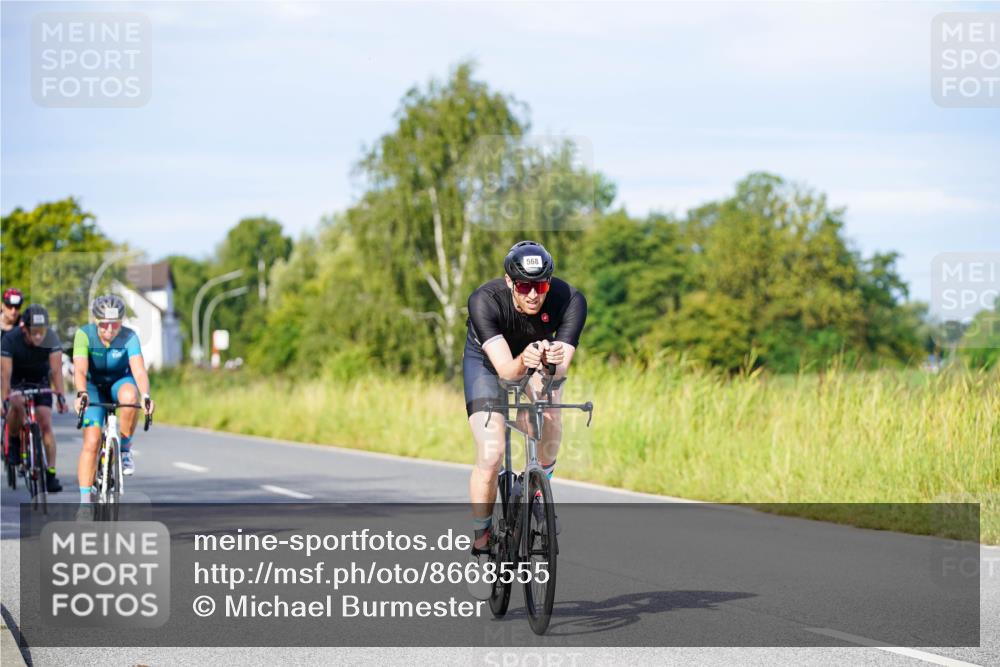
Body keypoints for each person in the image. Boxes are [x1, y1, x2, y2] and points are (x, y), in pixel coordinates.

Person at [463, 241, 587, 589]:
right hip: (488, 366)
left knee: (550, 412)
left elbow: (557, 373)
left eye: (541, 286)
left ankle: (537, 488)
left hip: (535, 362)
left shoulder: (570, 300)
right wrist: (524, 362)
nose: (534, 295)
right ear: (509, 282)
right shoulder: (484, 300)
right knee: (491, 454)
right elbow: (505, 372)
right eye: (524, 287)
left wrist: (547, 366)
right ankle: (482, 540)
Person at [72, 295, 155, 507]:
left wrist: (146, 396)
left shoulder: (130, 337)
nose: (109, 329)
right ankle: (84, 504)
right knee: (91, 442)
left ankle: (125, 450)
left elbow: (138, 370)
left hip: (120, 382)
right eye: (104, 324)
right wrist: (81, 393)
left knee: (130, 397)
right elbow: (80, 369)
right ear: (95, 320)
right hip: (93, 387)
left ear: (122, 322)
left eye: (115, 324)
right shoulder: (84, 335)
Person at [1, 304, 68, 492]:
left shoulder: (51, 338)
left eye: (42, 332)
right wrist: (4, 398)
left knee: (45, 422)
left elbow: (56, 371)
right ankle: (14, 440)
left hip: (40, 381)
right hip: (17, 380)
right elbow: (5, 374)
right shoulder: (10, 339)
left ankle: (51, 474)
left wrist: (61, 396)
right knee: (17, 405)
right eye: (34, 332)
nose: (39, 336)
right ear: (24, 329)